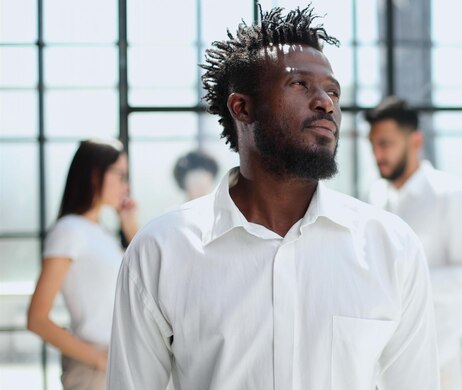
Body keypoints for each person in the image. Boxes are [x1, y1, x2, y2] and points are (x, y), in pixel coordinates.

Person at [107, 6, 439, 390]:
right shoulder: (162, 250)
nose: (325, 103)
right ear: (242, 107)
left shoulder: (390, 247)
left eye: (332, 90)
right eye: (299, 84)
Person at [365, 96, 462, 390]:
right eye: (373, 144)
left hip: (440, 362)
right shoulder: (375, 196)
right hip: (385, 362)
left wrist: (407, 284)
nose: (377, 154)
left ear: (415, 141)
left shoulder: (451, 195)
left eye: (386, 143)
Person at [27, 138, 138, 390]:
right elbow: (37, 318)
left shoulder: (101, 233)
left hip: (116, 362)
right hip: (93, 368)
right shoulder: (69, 231)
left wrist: (131, 227)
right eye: (120, 175)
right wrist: (100, 360)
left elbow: (147, 280)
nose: (125, 185)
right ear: (94, 174)